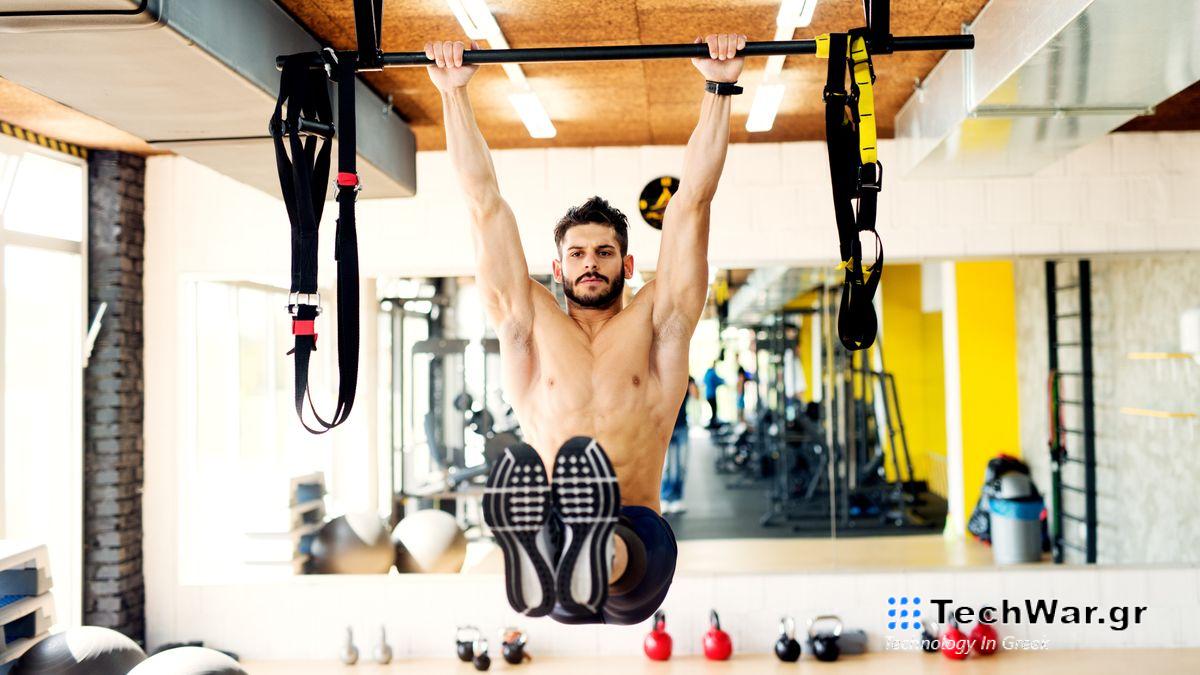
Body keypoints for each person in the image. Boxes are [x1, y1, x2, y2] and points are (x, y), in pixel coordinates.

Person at [424, 32, 746, 625]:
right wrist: (453, 94)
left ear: (626, 264)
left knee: (623, 544)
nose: (590, 262)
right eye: (576, 254)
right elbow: (483, 204)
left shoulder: (658, 323)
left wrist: (719, 86)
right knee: (575, 532)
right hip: (555, 556)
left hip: (637, 552)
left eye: (603, 252)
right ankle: (568, 546)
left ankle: (591, 549)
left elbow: (693, 202)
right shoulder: (529, 322)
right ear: (558, 267)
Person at [661, 377, 699, 514]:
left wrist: (691, 383)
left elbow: (696, 396)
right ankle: (665, 498)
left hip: (682, 427)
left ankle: (678, 498)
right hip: (666, 428)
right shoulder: (663, 377)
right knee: (666, 466)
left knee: (681, 466)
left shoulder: (688, 379)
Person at [702, 361, 725, 428]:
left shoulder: (707, 373)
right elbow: (718, 381)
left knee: (713, 410)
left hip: (708, 394)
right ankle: (713, 424)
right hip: (712, 395)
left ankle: (712, 423)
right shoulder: (712, 373)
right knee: (714, 410)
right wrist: (724, 381)